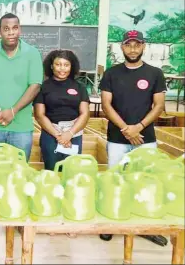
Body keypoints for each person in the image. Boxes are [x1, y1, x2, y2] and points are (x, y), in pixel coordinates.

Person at [0, 13, 43, 237]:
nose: (11, 32)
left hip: (21, 124)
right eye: (6, 28)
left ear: (20, 29)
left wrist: (12, 111)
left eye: (14, 28)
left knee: (19, 172)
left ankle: (18, 216)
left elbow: (34, 86)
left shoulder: (32, 54)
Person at [99, 30, 167, 244]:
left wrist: (138, 127)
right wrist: (126, 129)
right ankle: (112, 223)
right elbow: (106, 105)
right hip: (117, 139)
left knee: (147, 182)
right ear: (122, 47)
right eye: (129, 45)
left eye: (137, 45)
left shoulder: (155, 73)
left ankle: (146, 227)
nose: (133, 48)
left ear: (143, 46)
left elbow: (159, 106)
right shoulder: (111, 73)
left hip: (145, 138)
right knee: (115, 181)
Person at [34, 49, 90, 171]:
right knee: (51, 172)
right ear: (51, 66)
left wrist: (69, 134)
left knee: (71, 172)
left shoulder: (80, 87)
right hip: (51, 134)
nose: (62, 69)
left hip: (74, 134)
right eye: (58, 64)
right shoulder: (43, 87)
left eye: (66, 65)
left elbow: (85, 114)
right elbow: (39, 115)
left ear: (71, 66)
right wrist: (59, 135)